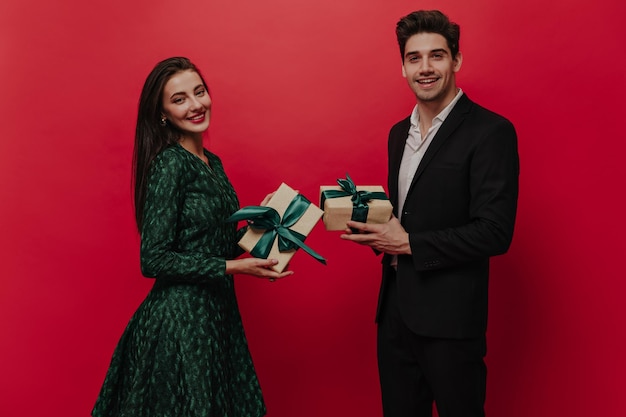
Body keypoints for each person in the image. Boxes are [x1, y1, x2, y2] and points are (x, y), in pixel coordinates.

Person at [341, 10, 519, 417]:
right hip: (394, 316)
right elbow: (409, 214)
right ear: (402, 67)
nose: (425, 68)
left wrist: (408, 243)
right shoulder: (397, 133)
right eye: (414, 58)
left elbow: (495, 232)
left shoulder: (491, 132)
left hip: (452, 322)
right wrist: (373, 230)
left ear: (456, 60)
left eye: (436, 56)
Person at [92, 56, 292, 417]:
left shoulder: (211, 162)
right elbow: (153, 259)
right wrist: (236, 267)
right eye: (180, 98)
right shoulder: (170, 163)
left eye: (199, 92)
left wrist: (257, 226)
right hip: (179, 321)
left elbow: (211, 241)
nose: (196, 104)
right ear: (163, 114)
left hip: (215, 315)